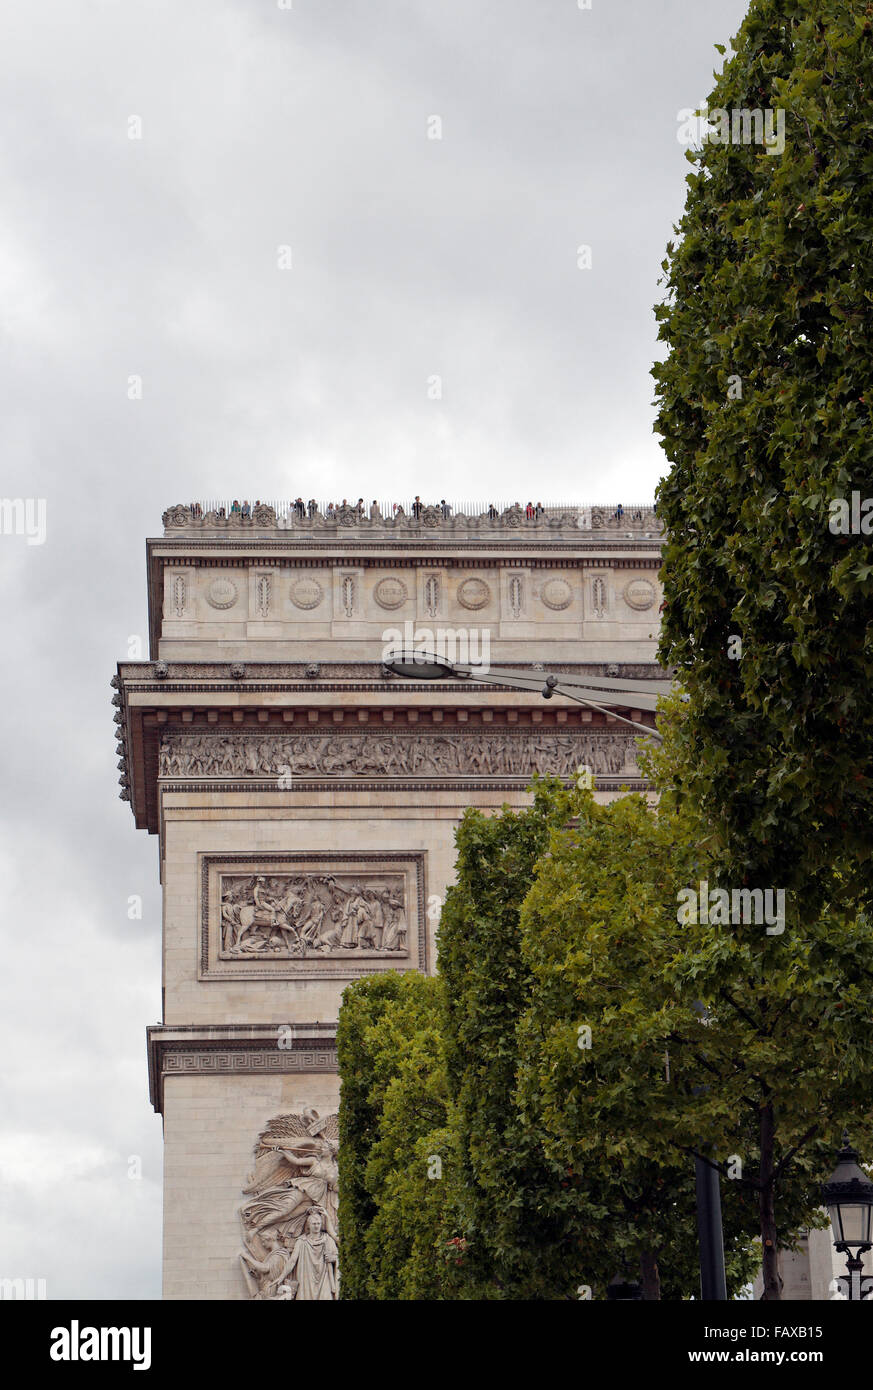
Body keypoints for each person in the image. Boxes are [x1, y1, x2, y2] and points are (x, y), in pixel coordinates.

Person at [284, 1208, 338, 1301]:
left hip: (324, 1280)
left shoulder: (328, 1239)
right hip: (306, 1282)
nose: (316, 1226)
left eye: (318, 1223)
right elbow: (292, 1261)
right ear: (309, 1225)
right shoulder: (301, 1241)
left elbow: (339, 1257)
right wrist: (281, 1277)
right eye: (314, 1224)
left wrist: (334, 1258)